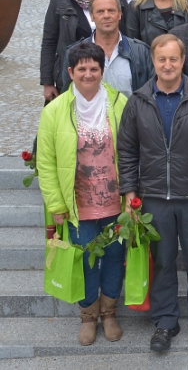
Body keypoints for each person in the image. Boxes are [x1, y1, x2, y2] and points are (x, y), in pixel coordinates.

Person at [117, 34, 188, 354]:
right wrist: (129, 194)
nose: (168, 65)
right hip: (153, 196)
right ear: (153, 61)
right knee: (162, 261)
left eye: (173, 58)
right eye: (162, 59)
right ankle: (165, 321)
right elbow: (127, 150)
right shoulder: (138, 101)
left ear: (183, 60)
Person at [37, 41, 128, 346]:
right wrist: (56, 203)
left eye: (94, 68)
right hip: (78, 206)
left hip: (115, 204)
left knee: (114, 257)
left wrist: (132, 197)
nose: (88, 74)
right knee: (85, 259)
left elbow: (132, 152)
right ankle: (88, 316)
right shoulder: (55, 111)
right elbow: (46, 162)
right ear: (70, 72)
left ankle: (109, 312)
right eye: (82, 69)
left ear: (102, 71)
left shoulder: (120, 103)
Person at [40, 0, 132, 101]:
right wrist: (47, 81)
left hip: (112, 72)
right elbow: (49, 41)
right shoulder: (60, 0)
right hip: (74, 74)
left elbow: (128, 35)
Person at [63, 0, 153, 97]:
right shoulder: (73, 53)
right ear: (92, 16)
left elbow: (151, 94)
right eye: (100, 12)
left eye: (111, 11)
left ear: (120, 14)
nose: (106, 16)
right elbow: (67, 96)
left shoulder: (141, 52)